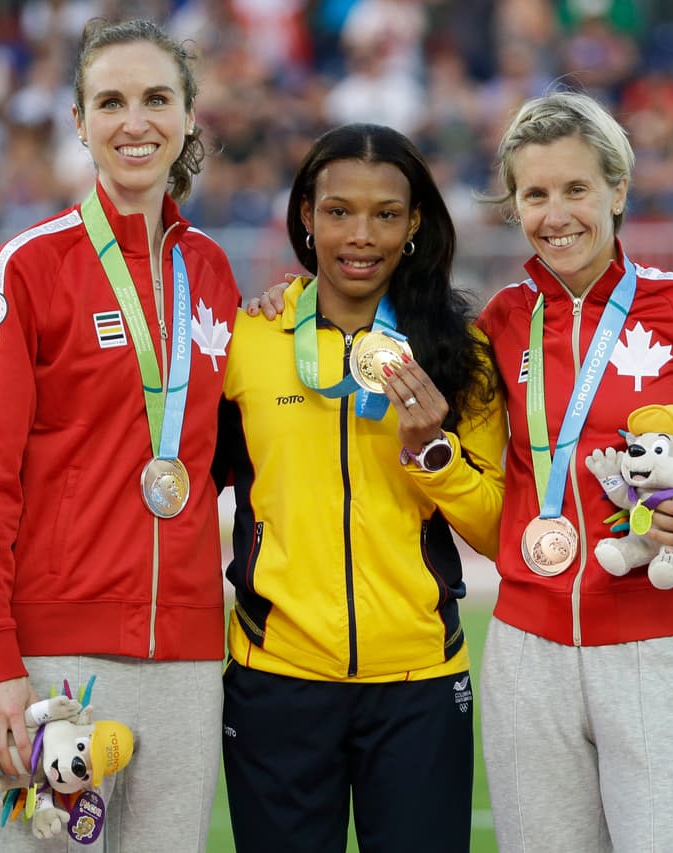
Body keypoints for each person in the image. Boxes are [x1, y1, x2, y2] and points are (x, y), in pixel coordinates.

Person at [474, 91, 673, 852]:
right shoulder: (499, 321)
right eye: (535, 194)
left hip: (660, 648)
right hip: (526, 655)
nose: (556, 214)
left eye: (576, 188)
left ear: (618, 191)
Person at [0, 18, 240, 852]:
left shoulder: (212, 271)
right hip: (56, 662)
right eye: (111, 102)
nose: (134, 122)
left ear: (188, 115)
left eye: (156, 99)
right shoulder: (26, 268)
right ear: (79, 121)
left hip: (188, 657)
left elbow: (225, 451)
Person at [216, 123, 506, 853]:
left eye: (386, 214)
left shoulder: (459, 349)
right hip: (276, 678)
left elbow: (501, 531)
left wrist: (432, 453)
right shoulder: (247, 340)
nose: (361, 235)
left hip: (419, 683)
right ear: (306, 216)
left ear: (414, 225)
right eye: (339, 210)